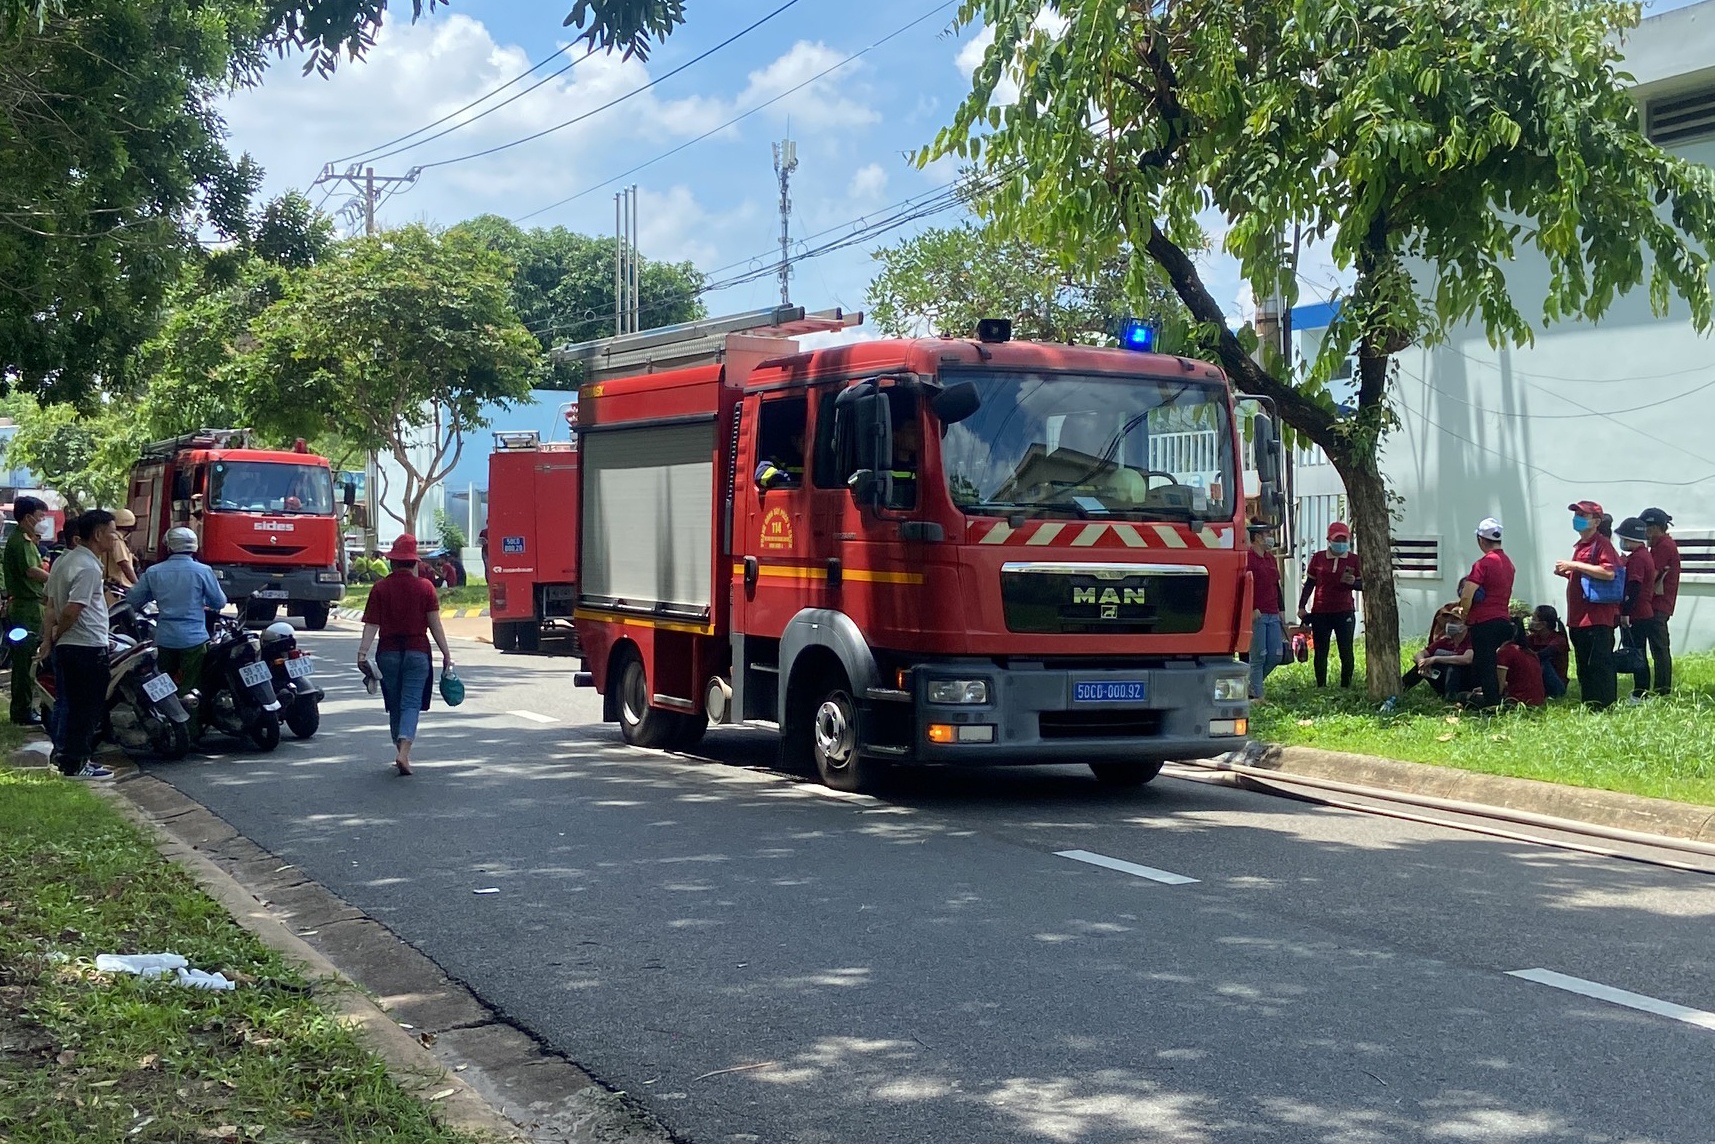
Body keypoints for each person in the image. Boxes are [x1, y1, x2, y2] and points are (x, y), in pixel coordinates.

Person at [357, 534, 454, 776]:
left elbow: (371, 625)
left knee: (395, 703)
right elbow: (435, 625)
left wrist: (362, 653)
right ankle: (404, 753)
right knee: (411, 702)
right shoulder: (425, 588)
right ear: (413, 563)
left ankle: (399, 749)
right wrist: (446, 654)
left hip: (387, 653)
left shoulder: (380, 588)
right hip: (417, 652)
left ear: (392, 562)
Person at [42, 510, 119, 779]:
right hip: (85, 646)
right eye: (112, 532)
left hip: (71, 646)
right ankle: (77, 763)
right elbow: (73, 609)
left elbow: (51, 604)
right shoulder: (87, 567)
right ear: (98, 535)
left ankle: (70, 759)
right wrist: (58, 634)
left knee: (74, 704)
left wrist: (49, 639)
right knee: (86, 708)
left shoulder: (65, 561)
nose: (116, 537)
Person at [126, 527, 226, 723]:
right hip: (194, 639)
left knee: (165, 686)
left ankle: (168, 725)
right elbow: (219, 602)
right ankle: (191, 731)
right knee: (190, 687)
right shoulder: (203, 571)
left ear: (169, 546)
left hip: (164, 638)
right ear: (194, 547)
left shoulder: (154, 572)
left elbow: (133, 600)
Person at [1554, 499, 1621, 710]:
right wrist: (1570, 573)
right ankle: (1590, 703)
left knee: (1599, 664)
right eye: (1577, 515)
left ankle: (1605, 705)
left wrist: (1573, 565)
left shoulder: (1602, 544)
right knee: (1584, 665)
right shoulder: (1581, 546)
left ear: (1596, 522)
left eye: (1583, 516)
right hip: (1578, 617)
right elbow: (1586, 579)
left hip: (1597, 618)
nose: (1578, 519)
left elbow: (1609, 573)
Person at [1457, 517, 1515, 712]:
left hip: (1483, 621)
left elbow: (1468, 592)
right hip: (1502, 620)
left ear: (1481, 540)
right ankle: (1492, 698)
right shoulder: (1508, 564)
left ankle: (1491, 704)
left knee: (1485, 664)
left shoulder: (1483, 563)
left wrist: (1464, 613)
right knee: (1491, 661)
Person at [4, 496, 51, 725]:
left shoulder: (28, 541)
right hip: (25, 608)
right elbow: (32, 571)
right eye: (41, 516)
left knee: (30, 660)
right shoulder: (20, 541)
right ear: (28, 517)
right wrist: (56, 580)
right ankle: (21, 711)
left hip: (33, 606)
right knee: (24, 662)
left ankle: (24, 708)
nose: (43, 521)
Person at [1297, 521, 1361, 688]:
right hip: (1321, 610)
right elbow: (1309, 583)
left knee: (1346, 650)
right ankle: (1321, 685)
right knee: (1320, 651)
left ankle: (1345, 685)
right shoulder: (1318, 558)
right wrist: (1302, 606)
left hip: (1344, 610)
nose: (1340, 543)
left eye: (1343, 539)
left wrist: (1354, 582)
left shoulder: (1354, 560)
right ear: (1329, 540)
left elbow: (1364, 585)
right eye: (1337, 539)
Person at [1614, 516, 1657, 702]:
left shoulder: (1638, 558)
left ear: (1632, 539)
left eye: (1624, 539)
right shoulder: (1643, 555)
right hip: (1643, 612)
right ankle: (1642, 691)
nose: (1622, 542)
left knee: (1637, 654)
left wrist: (1625, 613)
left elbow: (1634, 587)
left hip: (1636, 613)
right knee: (1639, 652)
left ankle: (1641, 693)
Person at [1639, 507, 1679, 695]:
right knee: (1658, 648)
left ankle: (1663, 689)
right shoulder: (1657, 546)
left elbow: (1652, 575)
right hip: (1655, 604)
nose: (1643, 533)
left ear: (1654, 527)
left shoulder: (1664, 546)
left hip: (1658, 604)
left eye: (1645, 528)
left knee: (1659, 649)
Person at [1245, 521, 1285, 700]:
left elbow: (1276, 586)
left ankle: (1251, 685)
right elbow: (1243, 586)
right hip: (1257, 614)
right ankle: (1257, 696)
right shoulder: (1247, 558)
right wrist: (1250, 609)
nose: (1270, 538)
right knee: (1258, 656)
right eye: (1267, 534)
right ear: (1258, 537)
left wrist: (1281, 610)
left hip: (1273, 612)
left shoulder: (1270, 558)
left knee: (1276, 655)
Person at [1401, 617, 1472, 698]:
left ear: (1464, 625)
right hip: (1443, 680)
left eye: (1453, 622)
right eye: (1448, 621)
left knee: (1453, 668)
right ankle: (1400, 688)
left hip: (1465, 680)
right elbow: (1419, 654)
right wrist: (1422, 662)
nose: (1449, 624)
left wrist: (1435, 659)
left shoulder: (1470, 641)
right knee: (1422, 667)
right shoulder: (1444, 642)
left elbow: (1467, 659)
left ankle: (1451, 698)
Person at [1493, 620, 1547, 708]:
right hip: (1537, 702)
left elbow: (1499, 689)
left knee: (1465, 696)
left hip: (1517, 702)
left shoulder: (1505, 651)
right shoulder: (1529, 652)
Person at [1527, 605, 1571, 699]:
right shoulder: (1534, 638)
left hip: (1557, 686)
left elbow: (1542, 655)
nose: (1531, 621)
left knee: (1542, 662)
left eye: (1534, 618)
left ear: (1543, 624)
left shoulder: (1558, 640)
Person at [102, 507, 139, 599]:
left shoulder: (111, 538)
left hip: (110, 587)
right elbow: (124, 564)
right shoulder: (117, 540)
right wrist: (138, 586)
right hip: (118, 589)